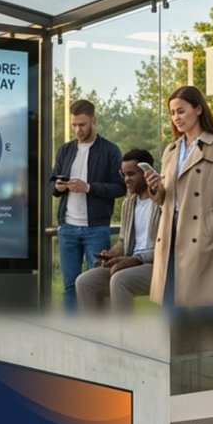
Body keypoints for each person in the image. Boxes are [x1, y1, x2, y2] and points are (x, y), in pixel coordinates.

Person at [146, 86, 213, 312]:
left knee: (202, 311)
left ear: (198, 109)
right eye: (172, 113)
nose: (176, 117)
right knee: (171, 310)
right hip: (169, 233)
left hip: (200, 234)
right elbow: (164, 199)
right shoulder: (171, 150)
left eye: (181, 111)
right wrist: (155, 188)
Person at [49, 100, 125, 311]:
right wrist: (58, 187)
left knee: (98, 286)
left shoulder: (110, 150)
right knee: (69, 287)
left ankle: (99, 335)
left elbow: (120, 188)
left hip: (96, 229)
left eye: (82, 125)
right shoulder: (65, 150)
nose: (77, 130)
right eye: (74, 125)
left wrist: (89, 187)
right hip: (67, 229)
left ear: (93, 121)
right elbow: (52, 186)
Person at [75, 150, 159, 311]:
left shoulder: (162, 202)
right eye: (124, 174)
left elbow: (169, 246)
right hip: (131, 263)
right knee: (84, 282)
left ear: (147, 173)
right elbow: (123, 242)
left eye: (131, 174)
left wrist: (137, 258)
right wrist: (111, 254)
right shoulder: (129, 203)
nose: (126, 179)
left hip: (155, 265)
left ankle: (123, 335)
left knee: (119, 279)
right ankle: (97, 334)